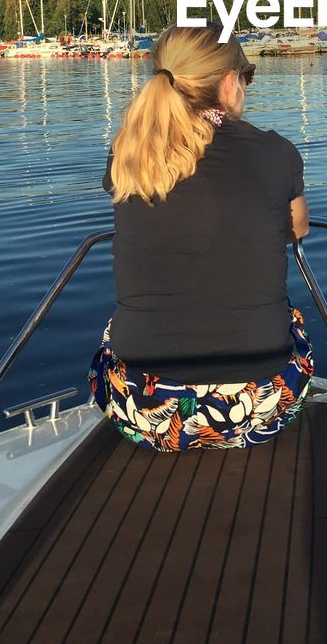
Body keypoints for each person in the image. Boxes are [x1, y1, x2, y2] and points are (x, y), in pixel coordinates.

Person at [89, 23, 313, 451]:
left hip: (141, 409)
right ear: (229, 82)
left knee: (114, 332)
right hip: (257, 407)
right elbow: (296, 228)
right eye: (246, 77)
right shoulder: (276, 152)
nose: (246, 86)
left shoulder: (129, 153)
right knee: (295, 323)